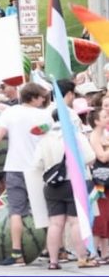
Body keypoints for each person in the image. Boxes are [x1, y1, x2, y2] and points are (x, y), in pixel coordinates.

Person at [0, 83, 52, 266]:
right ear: (33, 98)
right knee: (43, 210)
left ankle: (17, 254)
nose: (43, 100)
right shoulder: (45, 115)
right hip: (38, 168)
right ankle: (53, 249)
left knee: (16, 211)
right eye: (41, 97)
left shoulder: (10, 113)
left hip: (15, 167)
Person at [34, 110, 98, 269]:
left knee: (55, 224)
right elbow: (90, 158)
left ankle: (53, 261)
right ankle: (82, 258)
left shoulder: (45, 137)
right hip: (74, 182)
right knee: (76, 222)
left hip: (52, 185)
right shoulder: (76, 136)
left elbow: (37, 164)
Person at [88, 109, 109, 263]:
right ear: (96, 121)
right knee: (101, 214)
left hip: (105, 179)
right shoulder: (94, 136)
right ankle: (93, 252)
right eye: (104, 116)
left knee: (106, 214)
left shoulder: (104, 135)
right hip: (100, 180)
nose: (107, 118)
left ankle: (105, 252)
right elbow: (101, 156)